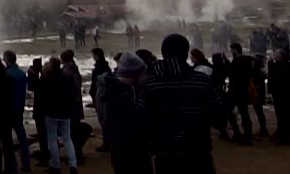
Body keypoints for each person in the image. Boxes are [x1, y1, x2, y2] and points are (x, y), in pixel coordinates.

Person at [141, 34, 221, 174]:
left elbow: (141, 120)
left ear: (163, 53)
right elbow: (219, 118)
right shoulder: (203, 81)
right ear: (186, 54)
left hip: (165, 154)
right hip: (198, 152)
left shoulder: (149, 84)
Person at [99, 53, 150, 174]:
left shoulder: (116, 90)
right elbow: (132, 126)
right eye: (143, 73)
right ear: (135, 74)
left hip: (122, 150)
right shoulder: (122, 97)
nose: (145, 77)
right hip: (130, 151)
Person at [34, 57, 78, 174]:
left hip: (51, 113)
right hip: (66, 113)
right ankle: (73, 165)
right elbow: (74, 94)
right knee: (67, 138)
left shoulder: (47, 79)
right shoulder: (68, 77)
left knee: (52, 140)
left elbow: (41, 96)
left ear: (52, 66)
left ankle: (56, 165)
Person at [2, 51, 31, 172]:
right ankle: (26, 163)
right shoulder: (21, 73)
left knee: (7, 139)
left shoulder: (6, 74)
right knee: (22, 138)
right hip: (19, 108)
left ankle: (11, 166)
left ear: (7, 60)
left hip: (8, 110)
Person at [225, 43, 255, 145]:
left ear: (235, 50)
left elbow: (231, 74)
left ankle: (238, 133)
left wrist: (227, 63)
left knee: (229, 111)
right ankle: (248, 135)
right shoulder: (247, 60)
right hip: (243, 90)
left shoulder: (237, 61)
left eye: (232, 50)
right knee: (244, 113)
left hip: (234, 91)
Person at [268, 49, 290, 145]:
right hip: (287, 94)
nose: (274, 55)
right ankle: (287, 135)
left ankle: (287, 137)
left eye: (276, 54)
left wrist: (270, 63)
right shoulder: (288, 65)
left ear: (280, 56)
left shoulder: (279, 66)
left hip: (282, 94)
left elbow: (273, 76)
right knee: (287, 115)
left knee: (284, 115)